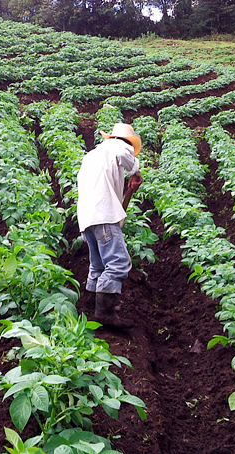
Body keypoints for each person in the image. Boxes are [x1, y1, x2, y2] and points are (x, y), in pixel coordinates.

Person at [76, 123, 143, 328]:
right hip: (103, 214)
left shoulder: (92, 156)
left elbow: (114, 198)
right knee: (118, 263)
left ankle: (92, 308)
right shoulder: (120, 147)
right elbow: (131, 163)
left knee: (98, 264)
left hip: (87, 217)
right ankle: (105, 313)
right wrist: (137, 171)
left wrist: (129, 187)